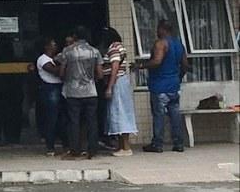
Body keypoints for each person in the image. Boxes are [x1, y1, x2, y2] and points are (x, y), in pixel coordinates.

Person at [140, 19, 188, 153]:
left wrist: (141, 65)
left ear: (163, 29)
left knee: (158, 115)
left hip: (160, 86)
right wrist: (178, 78)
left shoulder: (161, 43)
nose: (156, 31)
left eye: (158, 28)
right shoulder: (179, 45)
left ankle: (157, 144)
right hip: (174, 86)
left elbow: (157, 61)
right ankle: (178, 144)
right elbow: (185, 65)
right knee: (175, 115)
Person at [57, 27, 103, 160]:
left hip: (73, 92)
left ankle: (75, 150)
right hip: (91, 91)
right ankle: (92, 150)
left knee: (74, 121)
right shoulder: (95, 51)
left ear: (75, 36)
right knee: (92, 121)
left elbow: (61, 73)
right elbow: (100, 74)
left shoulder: (68, 51)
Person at [100, 27, 137, 156]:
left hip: (117, 82)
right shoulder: (118, 46)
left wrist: (110, 86)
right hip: (120, 81)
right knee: (119, 112)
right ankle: (122, 146)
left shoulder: (114, 48)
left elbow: (115, 67)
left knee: (120, 112)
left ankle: (126, 147)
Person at [36, 38, 65, 156]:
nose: (55, 47)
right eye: (53, 45)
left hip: (60, 87)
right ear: (47, 46)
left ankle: (65, 144)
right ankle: (50, 146)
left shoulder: (56, 58)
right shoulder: (43, 59)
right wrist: (65, 65)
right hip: (50, 88)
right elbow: (54, 71)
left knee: (62, 118)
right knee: (51, 118)